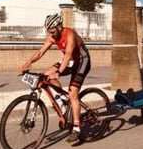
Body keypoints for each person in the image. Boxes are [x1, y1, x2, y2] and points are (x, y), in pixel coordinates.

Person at [19, 13, 91, 142]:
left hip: (82, 61)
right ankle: (63, 99)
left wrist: (58, 72)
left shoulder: (69, 35)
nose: (50, 35)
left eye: (52, 31)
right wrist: (28, 62)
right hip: (70, 61)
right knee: (46, 76)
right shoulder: (52, 37)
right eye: (48, 32)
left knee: (73, 93)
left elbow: (68, 55)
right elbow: (41, 51)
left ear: (59, 27)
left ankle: (76, 127)